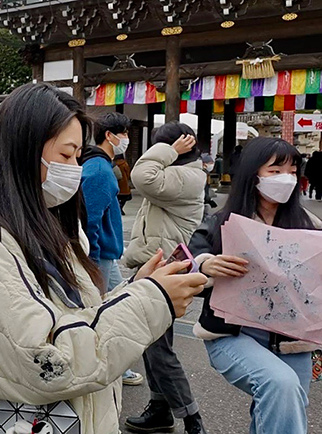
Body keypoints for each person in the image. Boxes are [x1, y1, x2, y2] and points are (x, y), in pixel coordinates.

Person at [0, 83, 207, 434]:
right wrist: (152, 300)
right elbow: (50, 359)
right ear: (23, 151)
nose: (74, 169)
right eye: (66, 155)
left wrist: (136, 289)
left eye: (78, 156)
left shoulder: (40, 221)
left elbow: (76, 318)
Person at [188, 137, 319, 434]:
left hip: (293, 341)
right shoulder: (223, 222)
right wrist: (206, 264)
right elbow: (186, 262)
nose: (286, 178)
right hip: (233, 335)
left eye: (292, 170)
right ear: (253, 174)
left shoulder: (310, 226)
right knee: (280, 385)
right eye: (275, 171)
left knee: (281, 406)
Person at [124, 121, 208, 434]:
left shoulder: (187, 176)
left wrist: (169, 151)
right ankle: (160, 407)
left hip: (166, 272)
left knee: (159, 347)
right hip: (154, 267)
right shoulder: (177, 173)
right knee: (151, 343)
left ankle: (191, 417)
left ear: (182, 146)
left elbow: (141, 175)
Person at [80, 112, 143, 386]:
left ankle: (120, 367)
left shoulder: (100, 165)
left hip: (106, 254)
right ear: (110, 135)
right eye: (125, 134)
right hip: (101, 256)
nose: (126, 139)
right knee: (105, 312)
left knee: (120, 305)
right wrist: (91, 260)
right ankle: (108, 367)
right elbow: (91, 220)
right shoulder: (99, 170)